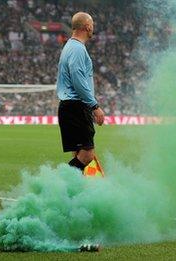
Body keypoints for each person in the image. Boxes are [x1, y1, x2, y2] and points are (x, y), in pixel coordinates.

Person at [56, 12, 105, 171]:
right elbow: (78, 80)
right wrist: (94, 106)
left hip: (69, 106)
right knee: (87, 154)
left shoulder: (69, 46)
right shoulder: (77, 49)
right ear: (87, 26)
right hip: (76, 106)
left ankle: (73, 192)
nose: (93, 28)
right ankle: (58, 183)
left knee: (78, 153)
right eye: (92, 25)